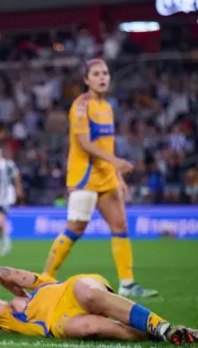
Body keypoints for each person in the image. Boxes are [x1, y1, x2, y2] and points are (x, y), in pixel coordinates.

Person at [42, 58, 157, 297]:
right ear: (86, 79)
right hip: (84, 176)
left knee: (120, 225)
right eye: (96, 74)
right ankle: (45, 279)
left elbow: (107, 144)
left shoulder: (107, 107)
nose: (102, 77)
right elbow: (84, 143)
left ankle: (127, 284)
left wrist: (117, 174)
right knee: (75, 228)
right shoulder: (81, 106)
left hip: (106, 177)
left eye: (105, 73)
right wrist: (116, 162)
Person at [0, 266, 196, 345]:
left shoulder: (43, 285)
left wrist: (9, 284)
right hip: (60, 324)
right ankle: (166, 335)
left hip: (72, 290)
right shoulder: (13, 320)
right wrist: (12, 302)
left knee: (89, 294)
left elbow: (0, 271)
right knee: (91, 328)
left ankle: (162, 326)